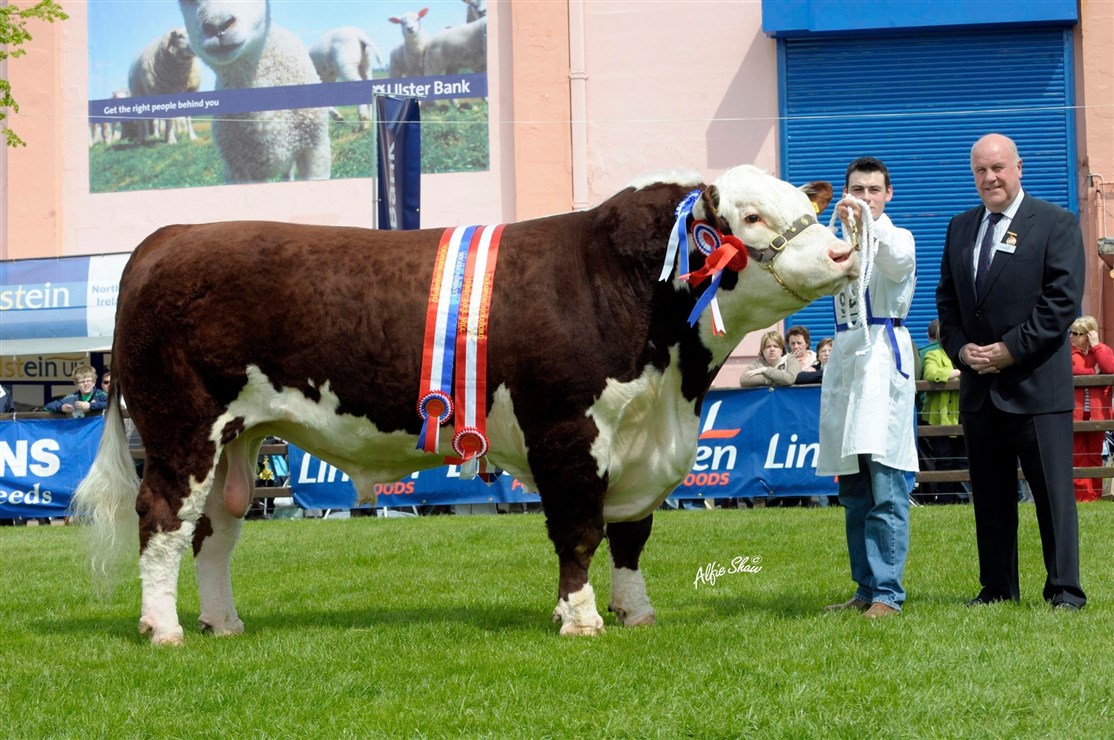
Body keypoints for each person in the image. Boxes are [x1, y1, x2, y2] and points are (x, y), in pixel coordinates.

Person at [936, 132, 1086, 610]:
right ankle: (998, 587)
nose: (989, 178)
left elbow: (1061, 304)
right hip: (980, 390)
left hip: (1037, 389)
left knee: (1053, 499)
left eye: (998, 167)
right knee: (991, 499)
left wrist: (1009, 350)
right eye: (980, 170)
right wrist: (961, 350)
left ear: (1019, 167)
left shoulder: (1056, 224)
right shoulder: (960, 227)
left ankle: (1064, 591)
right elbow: (947, 301)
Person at [818, 155, 917, 619]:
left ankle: (888, 593)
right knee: (854, 491)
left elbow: (897, 264)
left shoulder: (897, 238)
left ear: (888, 194)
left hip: (882, 361)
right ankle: (863, 588)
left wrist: (865, 227)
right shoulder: (837, 243)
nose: (864, 198)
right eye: (856, 190)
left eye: (873, 190)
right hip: (846, 365)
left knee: (886, 484)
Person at [921, 321, 969, 504]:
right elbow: (931, 373)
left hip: (962, 416)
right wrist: (958, 372)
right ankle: (945, 499)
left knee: (963, 460)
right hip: (939, 419)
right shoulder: (933, 355)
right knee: (944, 461)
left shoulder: (964, 356)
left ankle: (964, 499)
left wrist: (952, 372)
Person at [1069, 315, 1114, 503]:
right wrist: (1090, 373)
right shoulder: (1068, 352)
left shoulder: (1102, 350)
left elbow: (1109, 367)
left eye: (1076, 334)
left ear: (1088, 336)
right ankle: (1083, 497)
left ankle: (1094, 496)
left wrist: (1096, 347)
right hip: (1075, 414)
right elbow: (1069, 369)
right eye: (1070, 333)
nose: (1071, 337)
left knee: (1095, 456)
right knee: (1077, 457)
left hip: (1098, 414)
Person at [44, 365, 108, 417]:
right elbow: (47, 407)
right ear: (77, 385)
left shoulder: (101, 395)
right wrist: (61, 408)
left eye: (88, 381)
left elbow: (112, 405)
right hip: (80, 431)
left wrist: (90, 406)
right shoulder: (72, 398)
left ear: (94, 382)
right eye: (82, 382)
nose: (86, 384)